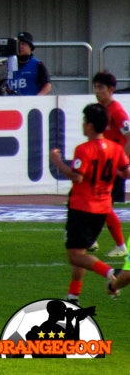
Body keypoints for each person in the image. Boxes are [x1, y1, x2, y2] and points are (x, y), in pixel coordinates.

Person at [49, 104, 129, 304]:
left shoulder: (84, 149)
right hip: (102, 209)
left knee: (74, 256)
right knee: (81, 252)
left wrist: (57, 161)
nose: (83, 125)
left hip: (82, 207)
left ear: (91, 126)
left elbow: (77, 177)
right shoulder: (115, 148)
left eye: (85, 122)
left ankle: (112, 272)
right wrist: (112, 175)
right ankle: (73, 297)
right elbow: (126, 172)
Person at [88, 71, 130, 259]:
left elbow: (129, 137)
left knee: (102, 204)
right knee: (100, 204)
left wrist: (121, 161)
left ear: (111, 90)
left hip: (113, 165)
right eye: (95, 87)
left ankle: (119, 245)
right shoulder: (99, 109)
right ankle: (91, 238)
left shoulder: (117, 111)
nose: (97, 91)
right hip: (104, 164)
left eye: (101, 88)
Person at [7, 31, 52, 96]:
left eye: (24, 44)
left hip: (30, 104)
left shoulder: (37, 64)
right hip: (9, 104)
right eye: (18, 44)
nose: (20, 47)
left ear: (30, 47)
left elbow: (47, 86)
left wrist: (36, 99)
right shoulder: (6, 64)